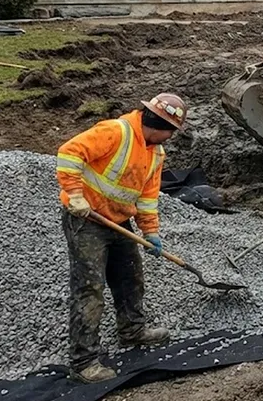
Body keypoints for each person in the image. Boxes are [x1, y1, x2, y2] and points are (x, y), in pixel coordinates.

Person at [55, 93, 188, 383]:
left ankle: (132, 330)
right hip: (86, 220)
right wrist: (75, 196)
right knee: (89, 288)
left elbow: (148, 197)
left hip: (118, 221)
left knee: (130, 277)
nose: (172, 137)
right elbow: (68, 152)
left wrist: (150, 231)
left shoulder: (156, 153)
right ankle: (84, 362)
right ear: (159, 123)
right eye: (172, 131)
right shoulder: (116, 131)